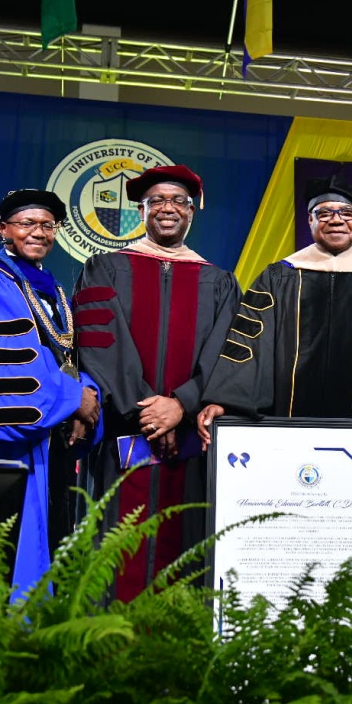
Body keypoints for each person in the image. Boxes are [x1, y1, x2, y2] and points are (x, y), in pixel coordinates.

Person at [197, 175, 352, 472]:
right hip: (287, 431)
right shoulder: (278, 277)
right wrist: (228, 400)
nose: (335, 220)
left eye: (346, 213)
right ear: (310, 221)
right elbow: (250, 343)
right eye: (324, 213)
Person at [74, 165, 241, 601]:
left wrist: (181, 406)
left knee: (184, 542)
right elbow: (98, 343)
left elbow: (226, 353)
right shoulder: (105, 268)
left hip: (189, 439)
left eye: (179, 201)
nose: (169, 208)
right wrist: (148, 412)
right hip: (124, 433)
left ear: (193, 212)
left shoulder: (219, 281)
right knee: (116, 543)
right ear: (142, 209)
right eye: (157, 201)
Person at [0, 189, 101, 596]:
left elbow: (66, 358)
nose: (39, 232)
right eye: (27, 223)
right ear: (3, 229)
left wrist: (85, 395)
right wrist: (71, 399)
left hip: (48, 439)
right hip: (1, 447)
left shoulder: (53, 289)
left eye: (48, 225)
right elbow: (4, 365)